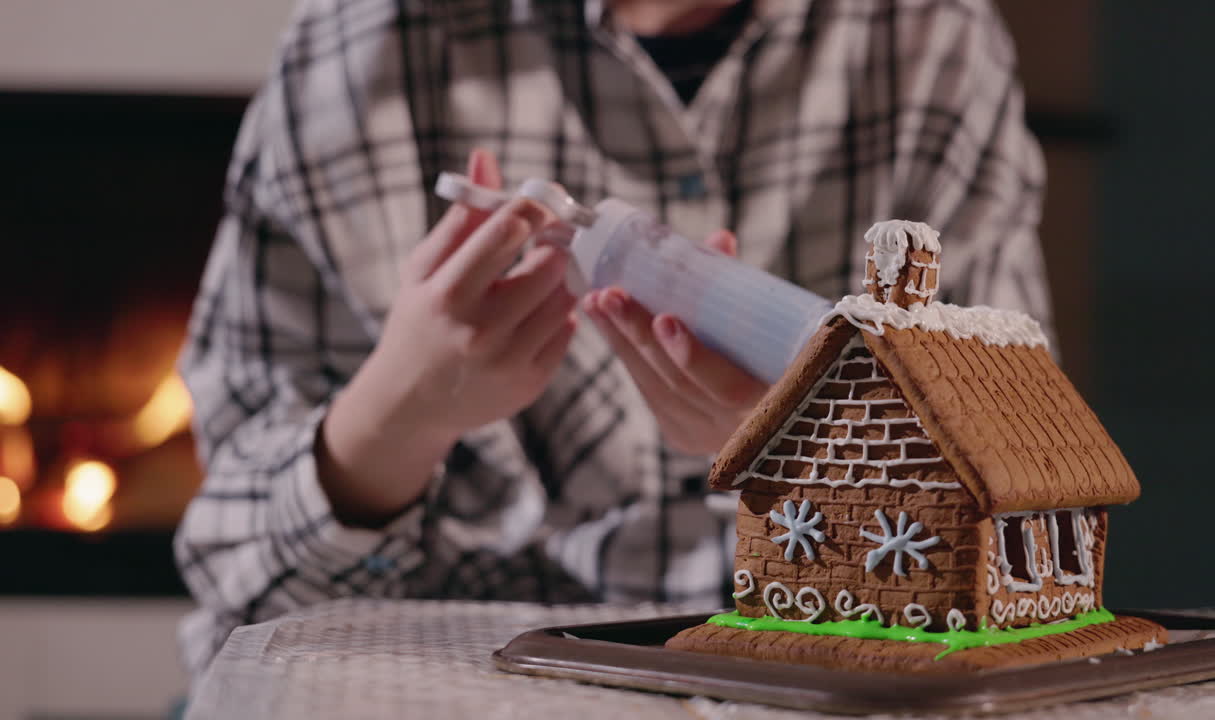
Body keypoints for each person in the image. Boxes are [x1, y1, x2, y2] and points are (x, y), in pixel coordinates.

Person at [174, 0, 1052, 676]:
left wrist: (807, 460)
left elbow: (1016, 509)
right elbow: (241, 593)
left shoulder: (931, 35)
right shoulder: (368, 43)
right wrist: (398, 411)